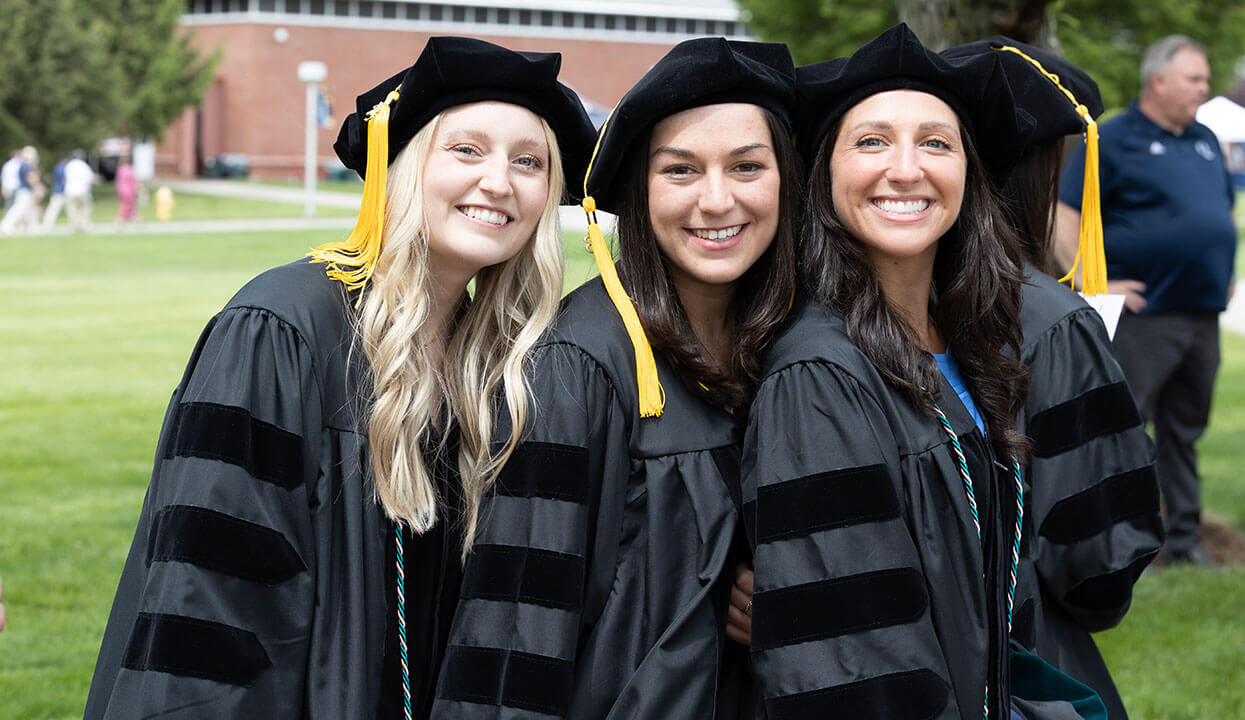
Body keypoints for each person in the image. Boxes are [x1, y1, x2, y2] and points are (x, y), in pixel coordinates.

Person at [84, 36, 596, 719]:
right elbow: (207, 616)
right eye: (467, 150)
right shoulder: (283, 331)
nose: (499, 181)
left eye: (528, 162)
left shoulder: (499, 366)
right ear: (403, 167)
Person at [430, 37, 800, 720]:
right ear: (638, 190)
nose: (716, 200)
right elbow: (515, 635)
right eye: (680, 171)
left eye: (747, 166)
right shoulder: (580, 365)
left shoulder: (797, 352)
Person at [740, 24, 1090, 719]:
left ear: (969, 173)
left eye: (936, 142)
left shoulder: (964, 345)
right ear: (824, 173)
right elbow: (854, 669)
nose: (907, 169)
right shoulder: (819, 377)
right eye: (871, 141)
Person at [943, 37, 1166, 720]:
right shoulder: (1048, 319)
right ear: (1042, 170)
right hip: (1027, 660)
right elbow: (1095, 567)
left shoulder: (861, 305)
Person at [1054, 35, 1236, 568]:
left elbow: (1218, 214)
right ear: (1159, 80)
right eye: (1195, 79)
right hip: (1145, 317)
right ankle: (1122, 543)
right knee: (1127, 430)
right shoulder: (1112, 139)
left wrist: (1223, 268)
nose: (1205, 89)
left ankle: (1185, 540)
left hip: (1203, 315)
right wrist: (1095, 283)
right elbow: (1065, 216)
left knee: (1186, 431)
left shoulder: (1205, 139)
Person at [0, 146, 44, 234]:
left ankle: (34, 227)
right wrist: (38, 186)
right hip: (24, 191)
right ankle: (5, 225)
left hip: (24, 190)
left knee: (30, 209)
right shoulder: (25, 165)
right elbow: (31, 178)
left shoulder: (23, 165)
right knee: (18, 208)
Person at [61, 151, 96, 232]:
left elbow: (64, 178)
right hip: (82, 190)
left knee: (72, 209)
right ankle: (84, 224)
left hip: (70, 190)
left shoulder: (69, 165)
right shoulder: (84, 165)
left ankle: (75, 225)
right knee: (86, 208)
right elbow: (89, 177)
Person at [40, 155, 69, 232]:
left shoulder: (57, 167)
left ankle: (47, 223)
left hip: (57, 189)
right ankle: (47, 224)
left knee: (53, 208)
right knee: (55, 208)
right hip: (62, 191)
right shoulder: (63, 168)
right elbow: (64, 179)